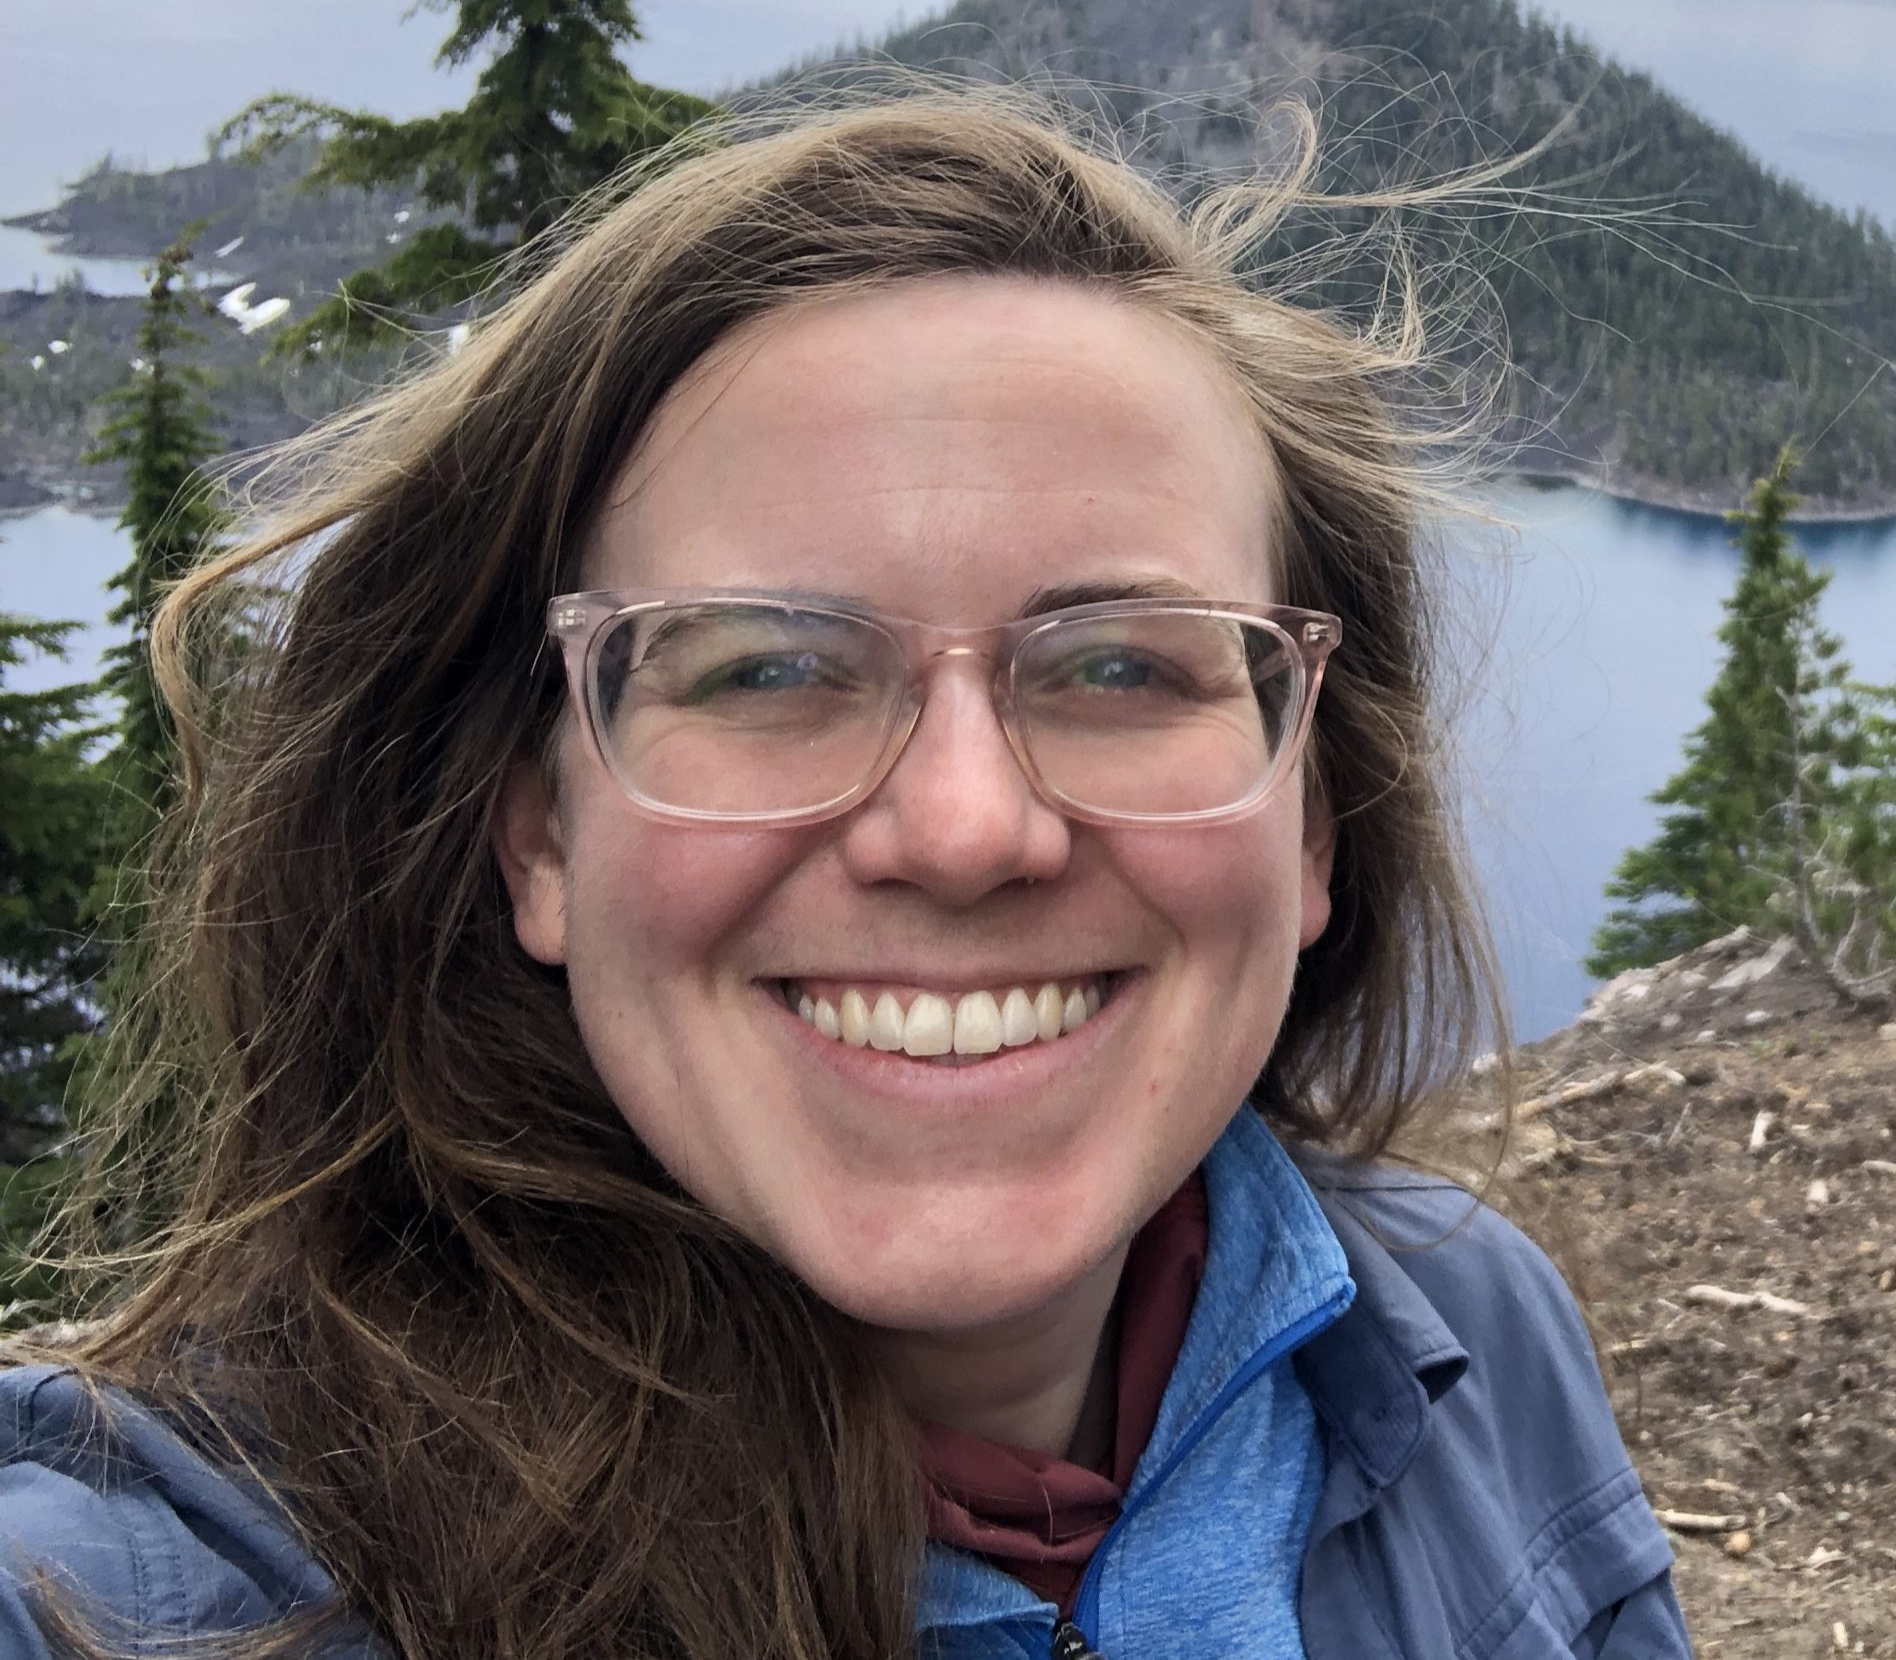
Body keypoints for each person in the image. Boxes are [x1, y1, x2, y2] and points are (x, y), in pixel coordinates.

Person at [0, 94, 1690, 1660]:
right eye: (762, 668)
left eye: (1121, 669)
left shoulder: (1467, 1337)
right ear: (539, 838)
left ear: (1310, 824)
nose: (962, 831)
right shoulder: (156, 1589)